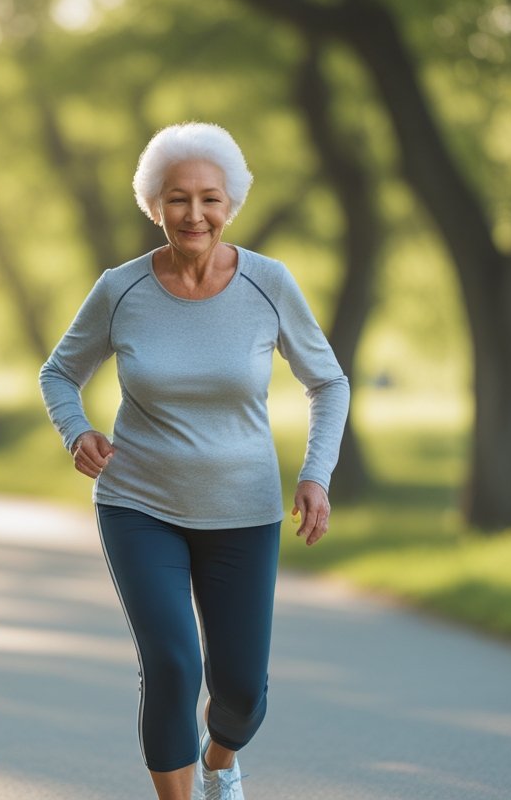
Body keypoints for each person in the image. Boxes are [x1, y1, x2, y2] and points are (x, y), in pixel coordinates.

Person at [39, 122, 348, 800]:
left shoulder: (268, 283)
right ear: (155, 205)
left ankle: (219, 760)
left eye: (209, 198)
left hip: (244, 510)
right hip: (138, 504)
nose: (195, 214)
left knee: (241, 692)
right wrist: (75, 431)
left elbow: (328, 382)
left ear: (231, 203)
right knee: (172, 666)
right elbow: (59, 373)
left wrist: (315, 474)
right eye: (178, 199)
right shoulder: (121, 289)